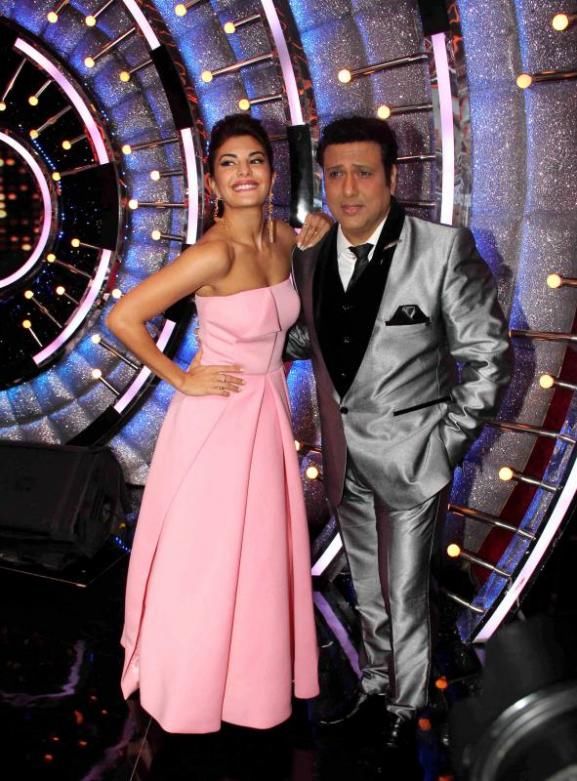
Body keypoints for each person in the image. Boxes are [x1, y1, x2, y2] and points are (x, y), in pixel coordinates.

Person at [286, 116, 511, 750]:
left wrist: (447, 442)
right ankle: (376, 682)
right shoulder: (312, 253)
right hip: (342, 453)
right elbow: (310, 338)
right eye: (335, 174)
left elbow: (489, 358)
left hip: (415, 455)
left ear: (391, 177)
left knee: (405, 589)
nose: (348, 188)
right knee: (366, 583)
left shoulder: (441, 249)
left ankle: (406, 706)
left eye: (363, 172)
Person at [108, 114, 330, 734]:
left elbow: (309, 281)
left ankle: (247, 688)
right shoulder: (213, 253)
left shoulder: (283, 238)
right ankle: (188, 687)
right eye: (228, 164)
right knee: (206, 558)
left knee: (256, 557)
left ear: (273, 172)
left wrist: (319, 231)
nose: (243, 173)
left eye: (254, 160)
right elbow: (124, 317)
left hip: (267, 411)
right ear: (211, 182)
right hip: (215, 420)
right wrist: (180, 378)